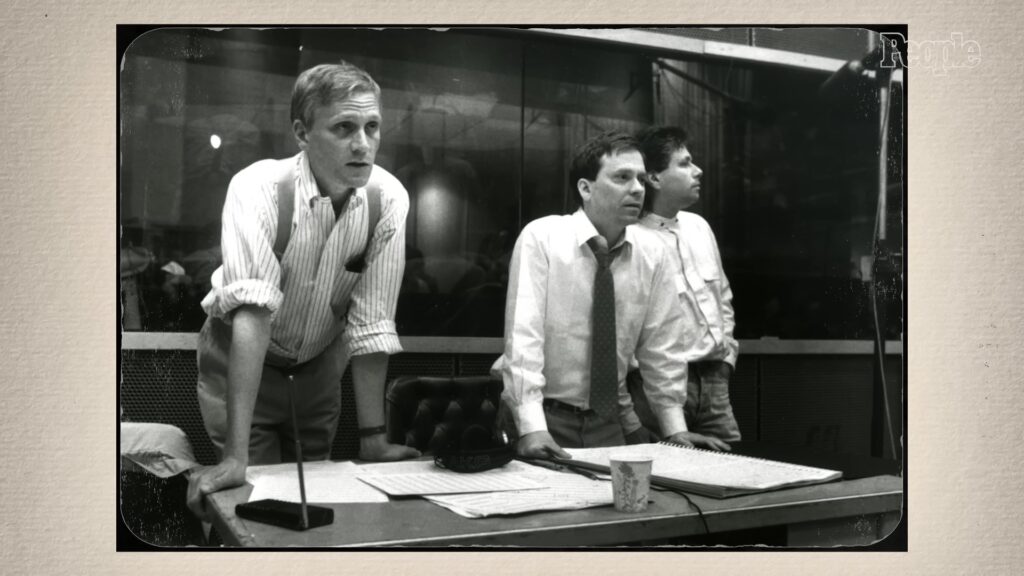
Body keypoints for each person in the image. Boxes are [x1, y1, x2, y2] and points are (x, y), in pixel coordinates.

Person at [186, 61, 420, 520]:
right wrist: (234, 457)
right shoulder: (258, 188)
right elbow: (252, 316)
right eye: (343, 127)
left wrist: (373, 439)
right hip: (243, 359)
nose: (363, 144)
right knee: (255, 502)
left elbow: (371, 325)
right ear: (302, 132)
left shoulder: (389, 199)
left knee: (315, 503)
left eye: (372, 127)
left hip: (318, 369)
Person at [492, 130, 729, 460]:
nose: (637, 189)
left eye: (641, 179)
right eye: (622, 177)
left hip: (607, 421)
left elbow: (662, 347)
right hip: (542, 416)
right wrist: (532, 427)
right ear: (585, 188)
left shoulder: (652, 251)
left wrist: (674, 429)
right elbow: (523, 339)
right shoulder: (543, 237)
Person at [629, 126, 741, 444]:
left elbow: (722, 299)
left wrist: (726, 360)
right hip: (654, 384)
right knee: (667, 465)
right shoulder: (632, 237)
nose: (698, 170)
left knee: (727, 463)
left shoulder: (698, 226)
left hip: (714, 379)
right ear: (654, 177)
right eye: (685, 163)